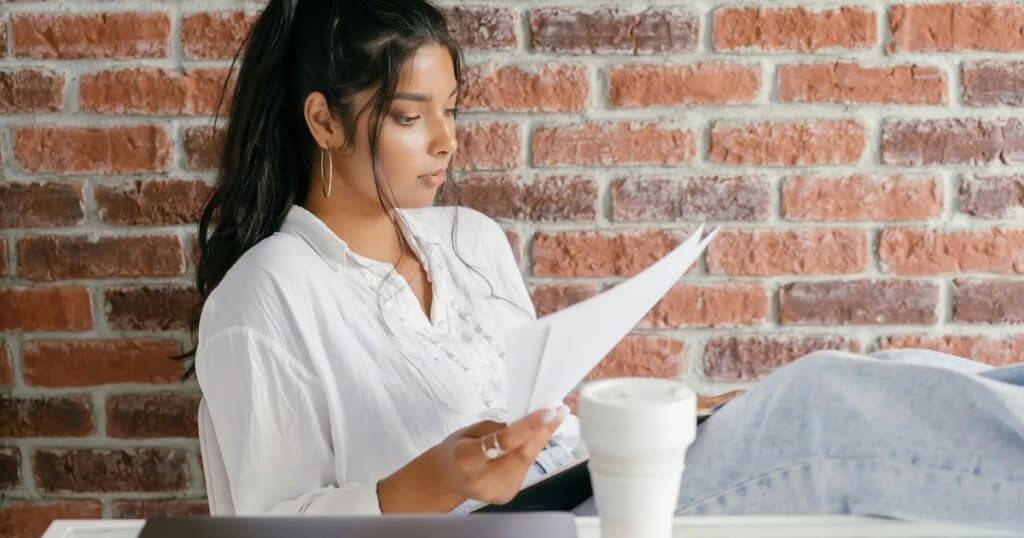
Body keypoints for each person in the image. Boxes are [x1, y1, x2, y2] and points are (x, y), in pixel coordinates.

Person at [186, 0, 1024, 529]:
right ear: (324, 122)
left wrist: (671, 417)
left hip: (584, 482)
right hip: (510, 525)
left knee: (842, 374)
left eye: (451, 110)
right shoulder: (265, 300)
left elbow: (539, 408)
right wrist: (430, 482)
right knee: (822, 411)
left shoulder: (467, 239)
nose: (446, 141)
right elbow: (268, 524)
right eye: (411, 116)